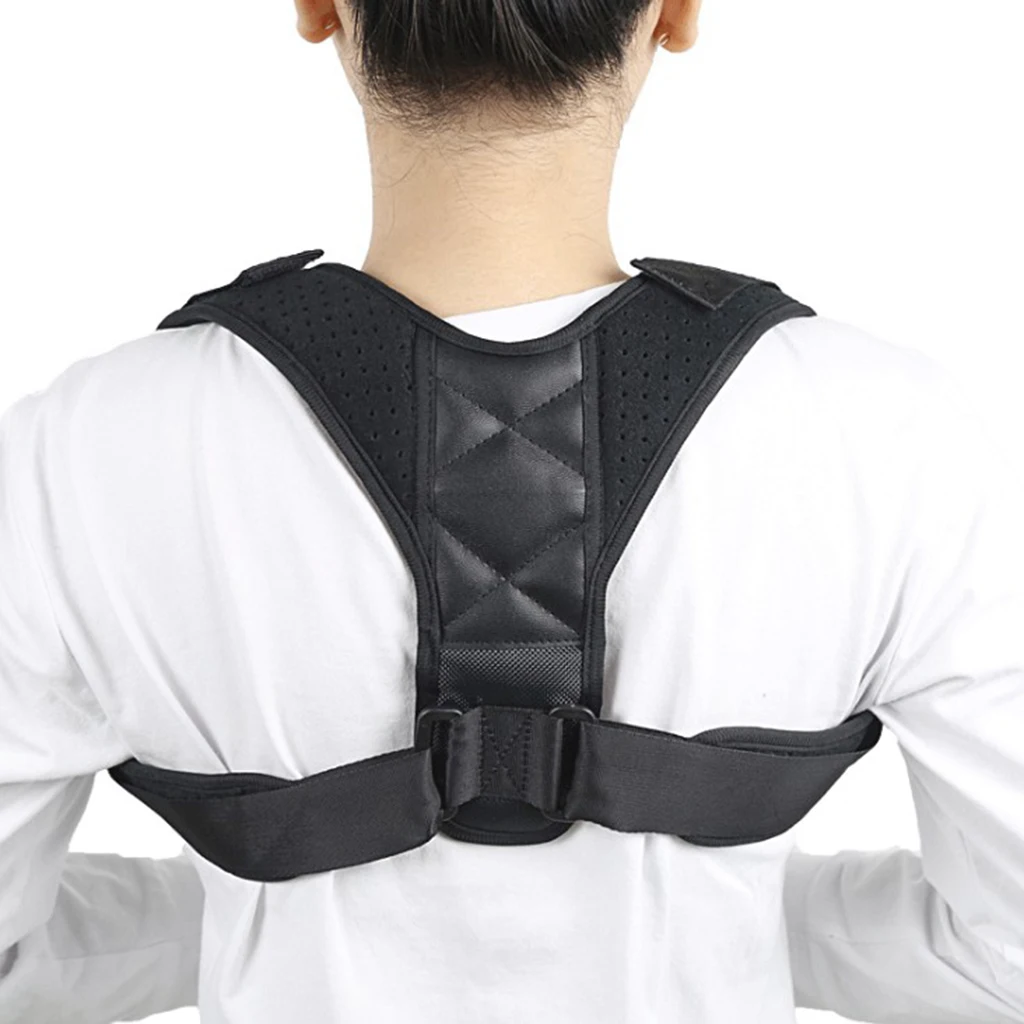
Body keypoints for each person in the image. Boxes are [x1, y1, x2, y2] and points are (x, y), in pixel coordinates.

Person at [1, 0, 1022, 1021]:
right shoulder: (890, 432)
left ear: (318, 9)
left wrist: (259, 910)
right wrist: (732, 913)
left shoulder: (78, 448)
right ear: (674, 15)